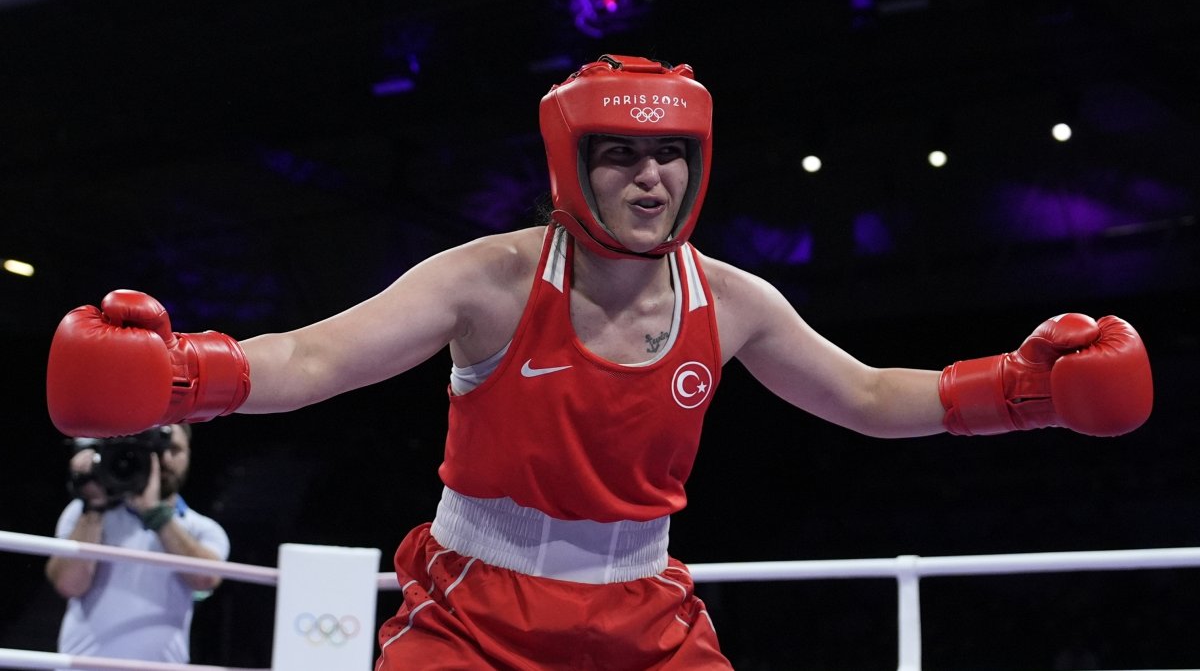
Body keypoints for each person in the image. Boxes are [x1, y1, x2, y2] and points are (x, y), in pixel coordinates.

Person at [44, 54, 1153, 669]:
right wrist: (184, 374)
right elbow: (316, 356)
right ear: (571, 165)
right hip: (474, 612)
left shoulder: (732, 299)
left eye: (670, 154)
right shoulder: (491, 279)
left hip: (646, 614)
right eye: (621, 154)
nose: (650, 178)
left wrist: (1021, 393)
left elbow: (865, 394)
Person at [45, 424, 230, 665]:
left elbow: (205, 580)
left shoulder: (203, 529)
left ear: (188, 455)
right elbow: (68, 585)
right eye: (157, 448)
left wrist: (154, 513)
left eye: (174, 449)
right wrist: (95, 506)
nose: (165, 459)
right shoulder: (83, 513)